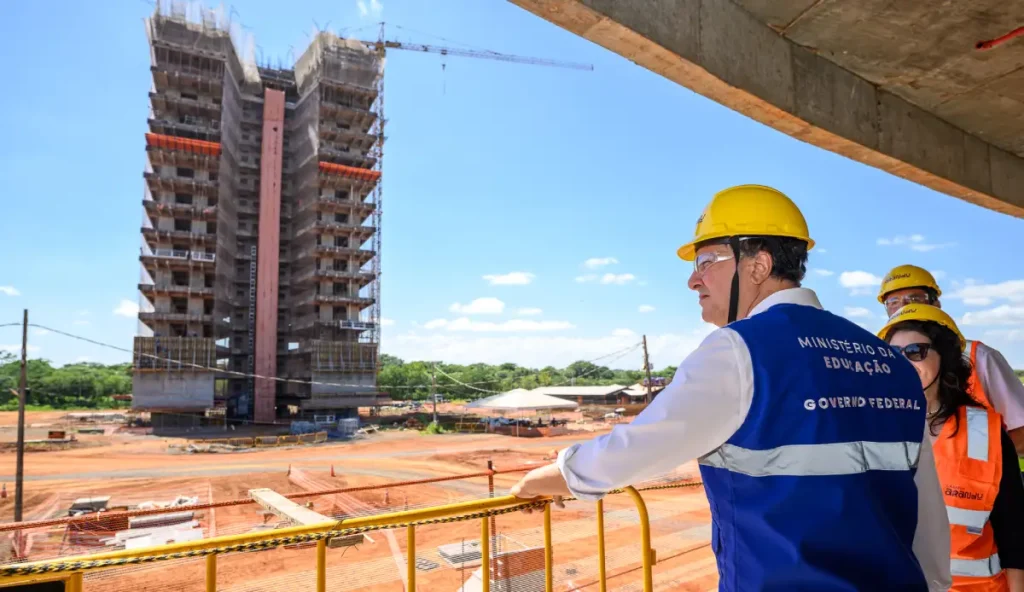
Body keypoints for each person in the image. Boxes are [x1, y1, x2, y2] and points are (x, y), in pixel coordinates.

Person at [510, 184, 951, 591]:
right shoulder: (889, 360)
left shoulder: (740, 351)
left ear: (758, 264)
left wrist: (540, 481)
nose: (693, 280)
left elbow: (630, 451)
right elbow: (928, 517)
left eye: (707, 262)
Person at [880, 303, 1024, 591]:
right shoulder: (873, 428)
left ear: (944, 358)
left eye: (915, 352)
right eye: (894, 354)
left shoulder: (987, 432)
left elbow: (1015, 535)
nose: (903, 363)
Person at [879, 265, 1024, 456]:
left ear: (936, 304)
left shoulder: (980, 356)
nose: (904, 306)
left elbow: (1020, 432)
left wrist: (980, 463)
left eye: (915, 298)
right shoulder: (883, 361)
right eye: (893, 301)